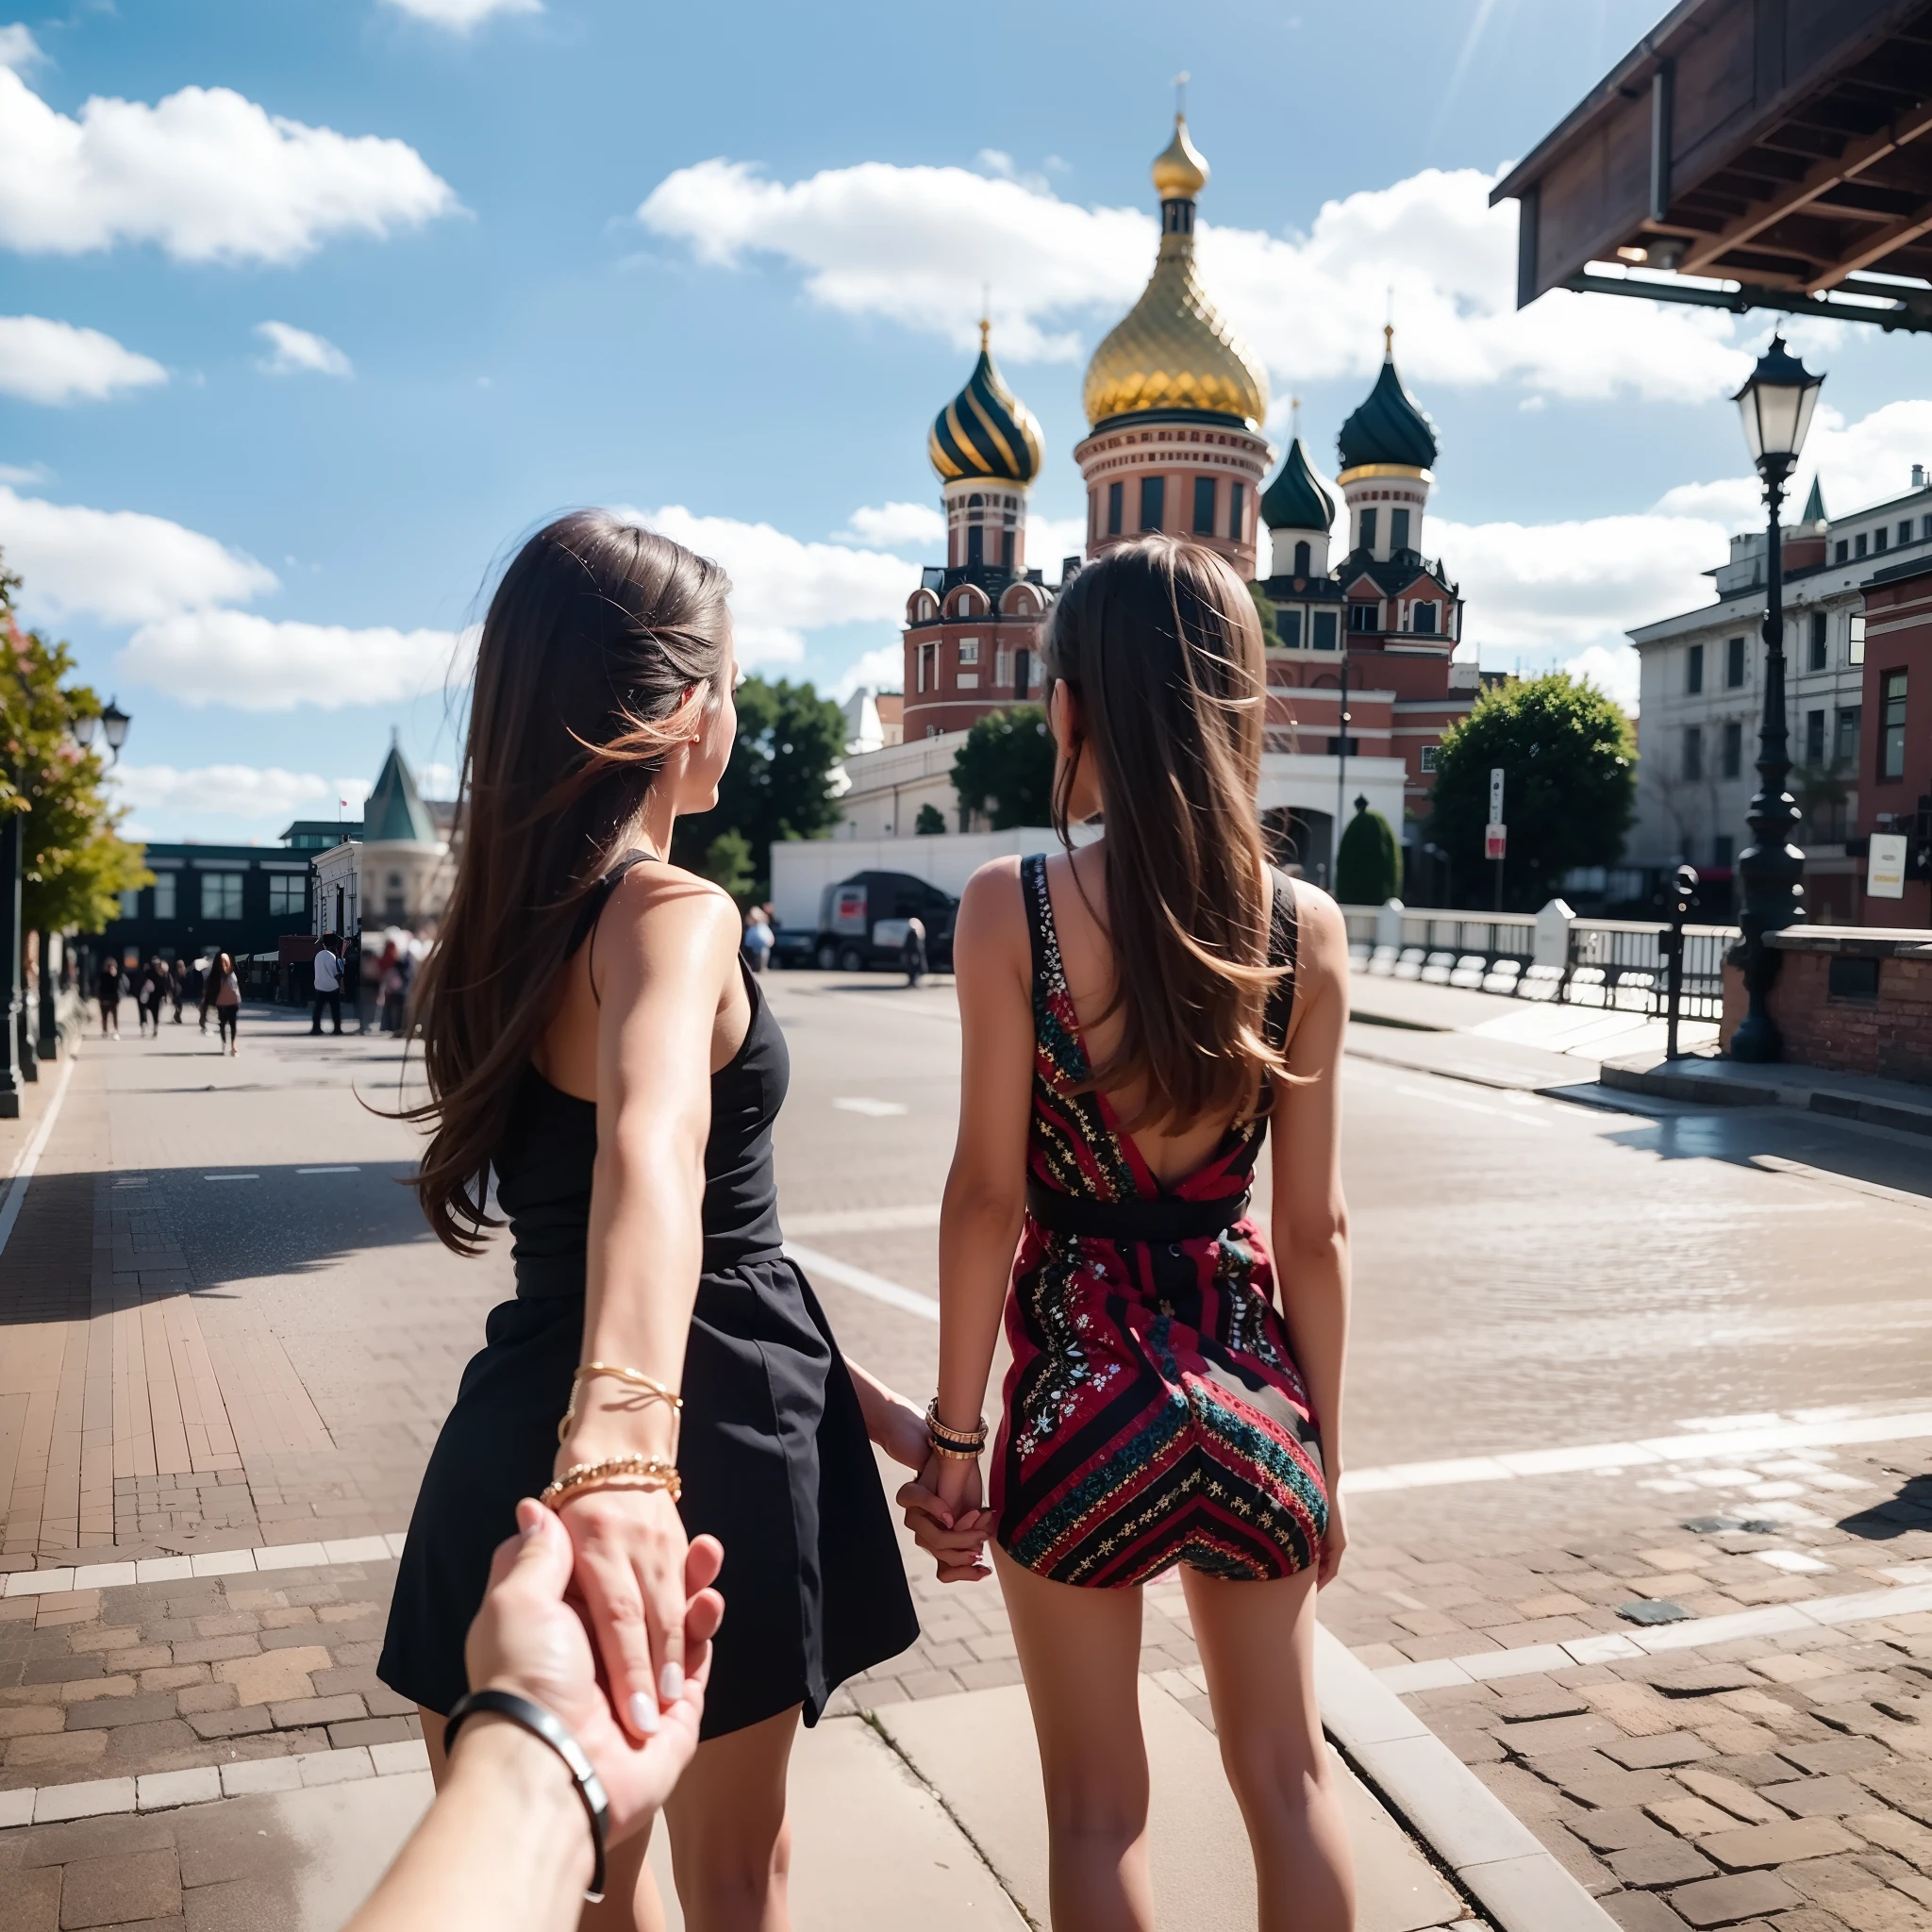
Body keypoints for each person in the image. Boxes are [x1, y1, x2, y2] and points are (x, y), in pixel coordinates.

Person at [378, 511, 925, 1931]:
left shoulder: (501, 939)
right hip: (702, 1470)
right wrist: (625, 1457)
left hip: (509, 1445)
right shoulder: (675, 912)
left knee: (559, 1897)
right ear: (690, 709)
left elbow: (712, 1244)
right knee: (738, 1892)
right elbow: (658, 1156)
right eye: (730, 680)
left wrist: (882, 1414)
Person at [902, 539, 1357, 1932]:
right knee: (1291, 1782)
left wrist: (958, 1438)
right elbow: (1316, 1230)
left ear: (1078, 706)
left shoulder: (1013, 908)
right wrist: (1326, 1455)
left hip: (1081, 1401)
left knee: (1101, 1811)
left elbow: (987, 1196)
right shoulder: (1306, 929)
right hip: (1252, 1390)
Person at [346, 1500, 722, 1932]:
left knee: (619, 1886)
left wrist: (531, 1765)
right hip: (732, 1481)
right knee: (738, 1873)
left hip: (498, 1487)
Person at [312, 933, 344, 1035]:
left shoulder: (318, 955)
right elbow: (338, 973)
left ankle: (316, 1028)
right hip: (332, 987)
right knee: (335, 1009)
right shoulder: (332, 957)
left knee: (318, 1009)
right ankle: (337, 1029)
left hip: (319, 985)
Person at [209, 951, 241, 1055]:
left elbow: (236, 987)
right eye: (222, 961)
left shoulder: (233, 973)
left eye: (226, 961)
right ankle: (224, 1042)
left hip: (233, 1002)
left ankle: (233, 1044)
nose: (224, 963)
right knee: (222, 1023)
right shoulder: (216, 976)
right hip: (221, 1003)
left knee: (233, 1024)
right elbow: (211, 990)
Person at [740, 905, 772, 974]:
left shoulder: (761, 926)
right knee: (753, 957)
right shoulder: (751, 928)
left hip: (761, 945)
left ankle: (762, 968)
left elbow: (767, 935)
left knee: (763, 955)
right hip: (752, 946)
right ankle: (755, 968)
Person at [95, 958, 122, 1039]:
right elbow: (99, 987)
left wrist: (114, 975)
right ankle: (105, 1030)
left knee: (114, 1015)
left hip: (113, 998)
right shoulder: (102, 975)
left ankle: (115, 1030)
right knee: (104, 1016)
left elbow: (119, 987)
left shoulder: (116, 976)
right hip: (104, 997)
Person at [901, 913, 926, 988]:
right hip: (913, 954)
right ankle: (913, 981)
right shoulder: (915, 933)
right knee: (913, 968)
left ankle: (913, 981)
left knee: (914, 968)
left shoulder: (912, 933)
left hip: (913, 954)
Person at [170, 958, 187, 1024]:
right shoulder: (174, 975)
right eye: (179, 966)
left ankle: (177, 1015)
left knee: (179, 1005)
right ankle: (177, 1016)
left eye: (182, 966)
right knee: (178, 1004)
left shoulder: (185, 973)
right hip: (176, 993)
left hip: (183, 992)